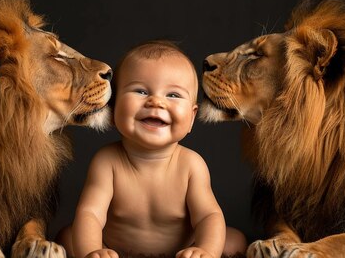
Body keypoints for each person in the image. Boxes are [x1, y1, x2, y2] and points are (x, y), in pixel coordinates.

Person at [57, 40, 247, 258]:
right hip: (116, 250)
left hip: (181, 252)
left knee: (234, 241)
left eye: (173, 95)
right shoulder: (107, 161)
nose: (156, 102)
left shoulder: (191, 165)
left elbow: (208, 216)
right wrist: (92, 251)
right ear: (112, 107)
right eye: (140, 91)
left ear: (192, 118)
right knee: (68, 237)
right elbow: (90, 214)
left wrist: (205, 251)